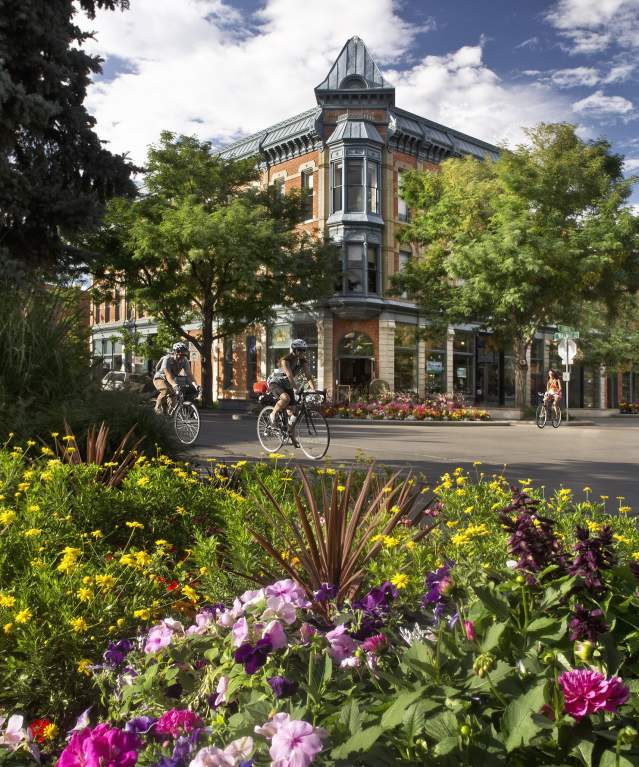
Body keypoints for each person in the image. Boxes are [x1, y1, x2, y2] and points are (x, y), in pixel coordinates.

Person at [267, 339, 316, 443]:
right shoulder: (285, 360)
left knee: (294, 411)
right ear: (294, 350)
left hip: (287, 385)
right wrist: (296, 389)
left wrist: (314, 390)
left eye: (304, 350)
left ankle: (290, 435)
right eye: (300, 350)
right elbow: (289, 375)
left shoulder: (303, 360)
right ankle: (272, 414)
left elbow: (308, 376)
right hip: (276, 382)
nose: (303, 352)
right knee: (286, 398)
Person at [153, 342, 200, 415]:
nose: (181, 357)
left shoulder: (185, 361)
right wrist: (174, 385)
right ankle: (157, 409)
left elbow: (189, 375)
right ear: (174, 352)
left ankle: (168, 414)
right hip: (160, 378)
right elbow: (168, 374)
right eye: (180, 354)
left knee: (174, 396)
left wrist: (196, 385)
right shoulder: (167, 359)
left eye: (183, 354)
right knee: (165, 390)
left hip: (170, 380)